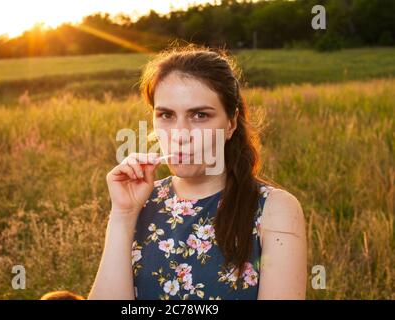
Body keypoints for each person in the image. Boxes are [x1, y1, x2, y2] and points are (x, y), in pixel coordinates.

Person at [88, 45, 306, 300]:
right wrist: (122, 216)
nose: (180, 135)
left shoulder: (274, 209)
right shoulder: (139, 202)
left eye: (200, 115)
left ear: (230, 123)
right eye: (166, 115)